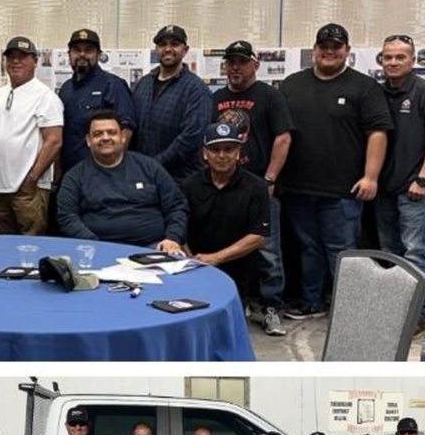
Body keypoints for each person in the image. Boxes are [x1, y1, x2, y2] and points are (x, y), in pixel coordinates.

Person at [277, 23, 392, 320]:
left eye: (336, 48)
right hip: (298, 188)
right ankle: (311, 302)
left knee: (342, 252)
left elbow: (377, 133)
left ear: (347, 51)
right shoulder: (291, 85)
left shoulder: (364, 87)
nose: (329, 52)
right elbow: (279, 134)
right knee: (307, 249)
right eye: (324, 47)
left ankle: (346, 309)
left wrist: (371, 176)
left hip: (343, 190)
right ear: (314, 50)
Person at [211, 40, 293, 335]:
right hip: (227, 187)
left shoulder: (269, 96)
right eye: (230, 62)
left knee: (268, 250)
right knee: (231, 248)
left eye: (241, 62)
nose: (235, 67)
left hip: (260, 186)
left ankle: (271, 305)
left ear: (255, 65)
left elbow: (283, 138)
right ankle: (239, 302)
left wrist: (270, 179)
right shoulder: (216, 97)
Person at [376, 34, 425, 331]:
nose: (393, 62)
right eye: (388, 57)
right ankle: (398, 311)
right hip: (385, 190)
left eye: (400, 57)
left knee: (416, 253)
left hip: (415, 190)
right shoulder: (377, 93)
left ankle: (420, 314)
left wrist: (423, 178)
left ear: (413, 60)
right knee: (390, 255)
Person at [57, 109, 187, 251]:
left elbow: (177, 206)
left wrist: (172, 238)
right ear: (88, 141)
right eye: (97, 134)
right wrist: (93, 244)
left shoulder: (149, 167)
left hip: (153, 248)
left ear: (123, 137)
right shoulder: (75, 176)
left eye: (111, 132)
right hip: (98, 250)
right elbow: (67, 217)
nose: (105, 138)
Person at [0, 36, 63, 235]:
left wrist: (32, 179)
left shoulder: (45, 97)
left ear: (35, 61)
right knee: (2, 246)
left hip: (28, 191)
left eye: (22, 57)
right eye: (11, 57)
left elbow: (54, 141)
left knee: (31, 245)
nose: (16, 61)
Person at [181, 122, 271, 299]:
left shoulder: (256, 187)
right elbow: (179, 226)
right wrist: (191, 259)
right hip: (194, 267)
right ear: (205, 154)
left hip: (239, 273)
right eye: (215, 149)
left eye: (228, 149)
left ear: (238, 153)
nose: (222, 155)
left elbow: (259, 236)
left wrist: (216, 258)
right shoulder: (188, 186)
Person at [130, 25, 211, 182]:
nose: (167, 49)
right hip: (144, 178)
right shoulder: (143, 84)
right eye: (162, 44)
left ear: (185, 50)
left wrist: (154, 165)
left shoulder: (196, 89)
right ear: (156, 50)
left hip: (180, 181)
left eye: (174, 44)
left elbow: (191, 139)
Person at [57, 28, 136, 175]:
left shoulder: (113, 85)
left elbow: (126, 131)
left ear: (98, 55)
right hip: (70, 173)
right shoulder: (65, 89)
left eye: (88, 50)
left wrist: (111, 169)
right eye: (77, 50)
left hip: (101, 173)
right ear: (69, 55)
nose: (82, 55)